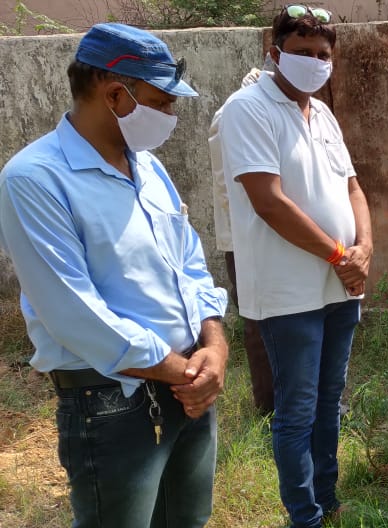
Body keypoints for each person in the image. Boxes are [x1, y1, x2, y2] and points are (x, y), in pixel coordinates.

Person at [0, 23, 228, 526]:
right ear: (115, 95)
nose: (171, 116)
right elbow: (73, 313)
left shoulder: (148, 167)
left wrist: (214, 343)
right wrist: (182, 371)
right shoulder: (35, 178)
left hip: (188, 386)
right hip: (111, 400)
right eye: (162, 102)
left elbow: (188, 262)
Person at [217, 6, 372, 527]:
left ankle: (328, 499)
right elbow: (270, 202)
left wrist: (365, 249)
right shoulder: (247, 109)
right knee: (297, 410)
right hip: (290, 293)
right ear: (273, 52)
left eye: (322, 55)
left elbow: (352, 187)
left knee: (330, 401)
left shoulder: (321, 113)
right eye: (301, 53)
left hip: (341, 288)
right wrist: (338, 256)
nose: (313, 62)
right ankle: (304, 515)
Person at [209, 66, 274, 415]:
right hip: (246, 238)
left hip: (274, 233)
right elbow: (227, 188)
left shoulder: (272, 108)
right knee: (259, 320)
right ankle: (269, 405)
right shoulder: (232, 113)